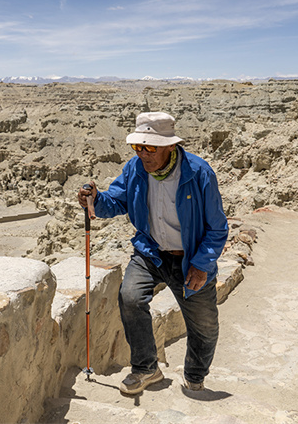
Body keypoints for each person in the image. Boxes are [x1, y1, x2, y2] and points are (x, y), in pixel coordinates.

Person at [77, 111, 228, 396]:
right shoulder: (134, 169)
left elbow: (217, 228)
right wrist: (95, 199)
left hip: (191, 258)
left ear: (170, 146)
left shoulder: (199, 172)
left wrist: (202, 263)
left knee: (204, 326)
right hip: (151, 252)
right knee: (130, 297)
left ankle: (195, 375)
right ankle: (146, 368)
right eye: (138, 146)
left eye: (150, 147)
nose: (143, 154)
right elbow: (115, 202)